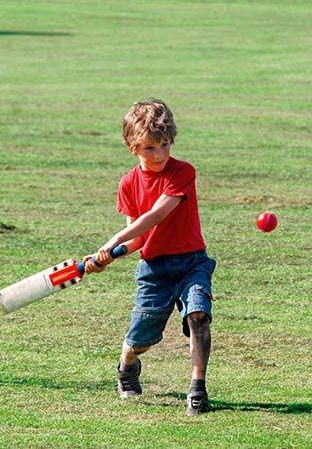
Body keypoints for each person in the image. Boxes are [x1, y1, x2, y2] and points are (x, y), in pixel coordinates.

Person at [83, 98, 216, 416]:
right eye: (149, 148)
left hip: (192, 261)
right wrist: (109, 256)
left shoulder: (183, 172)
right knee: (141, 339)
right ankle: (127, 365)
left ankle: (197, 389)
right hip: (154, 270)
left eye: (165, 145)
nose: (159, 155)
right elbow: (140, 238)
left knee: (198, 316)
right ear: (133, 148)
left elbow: (157, 215)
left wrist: (112, 240)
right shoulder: (128, 183)